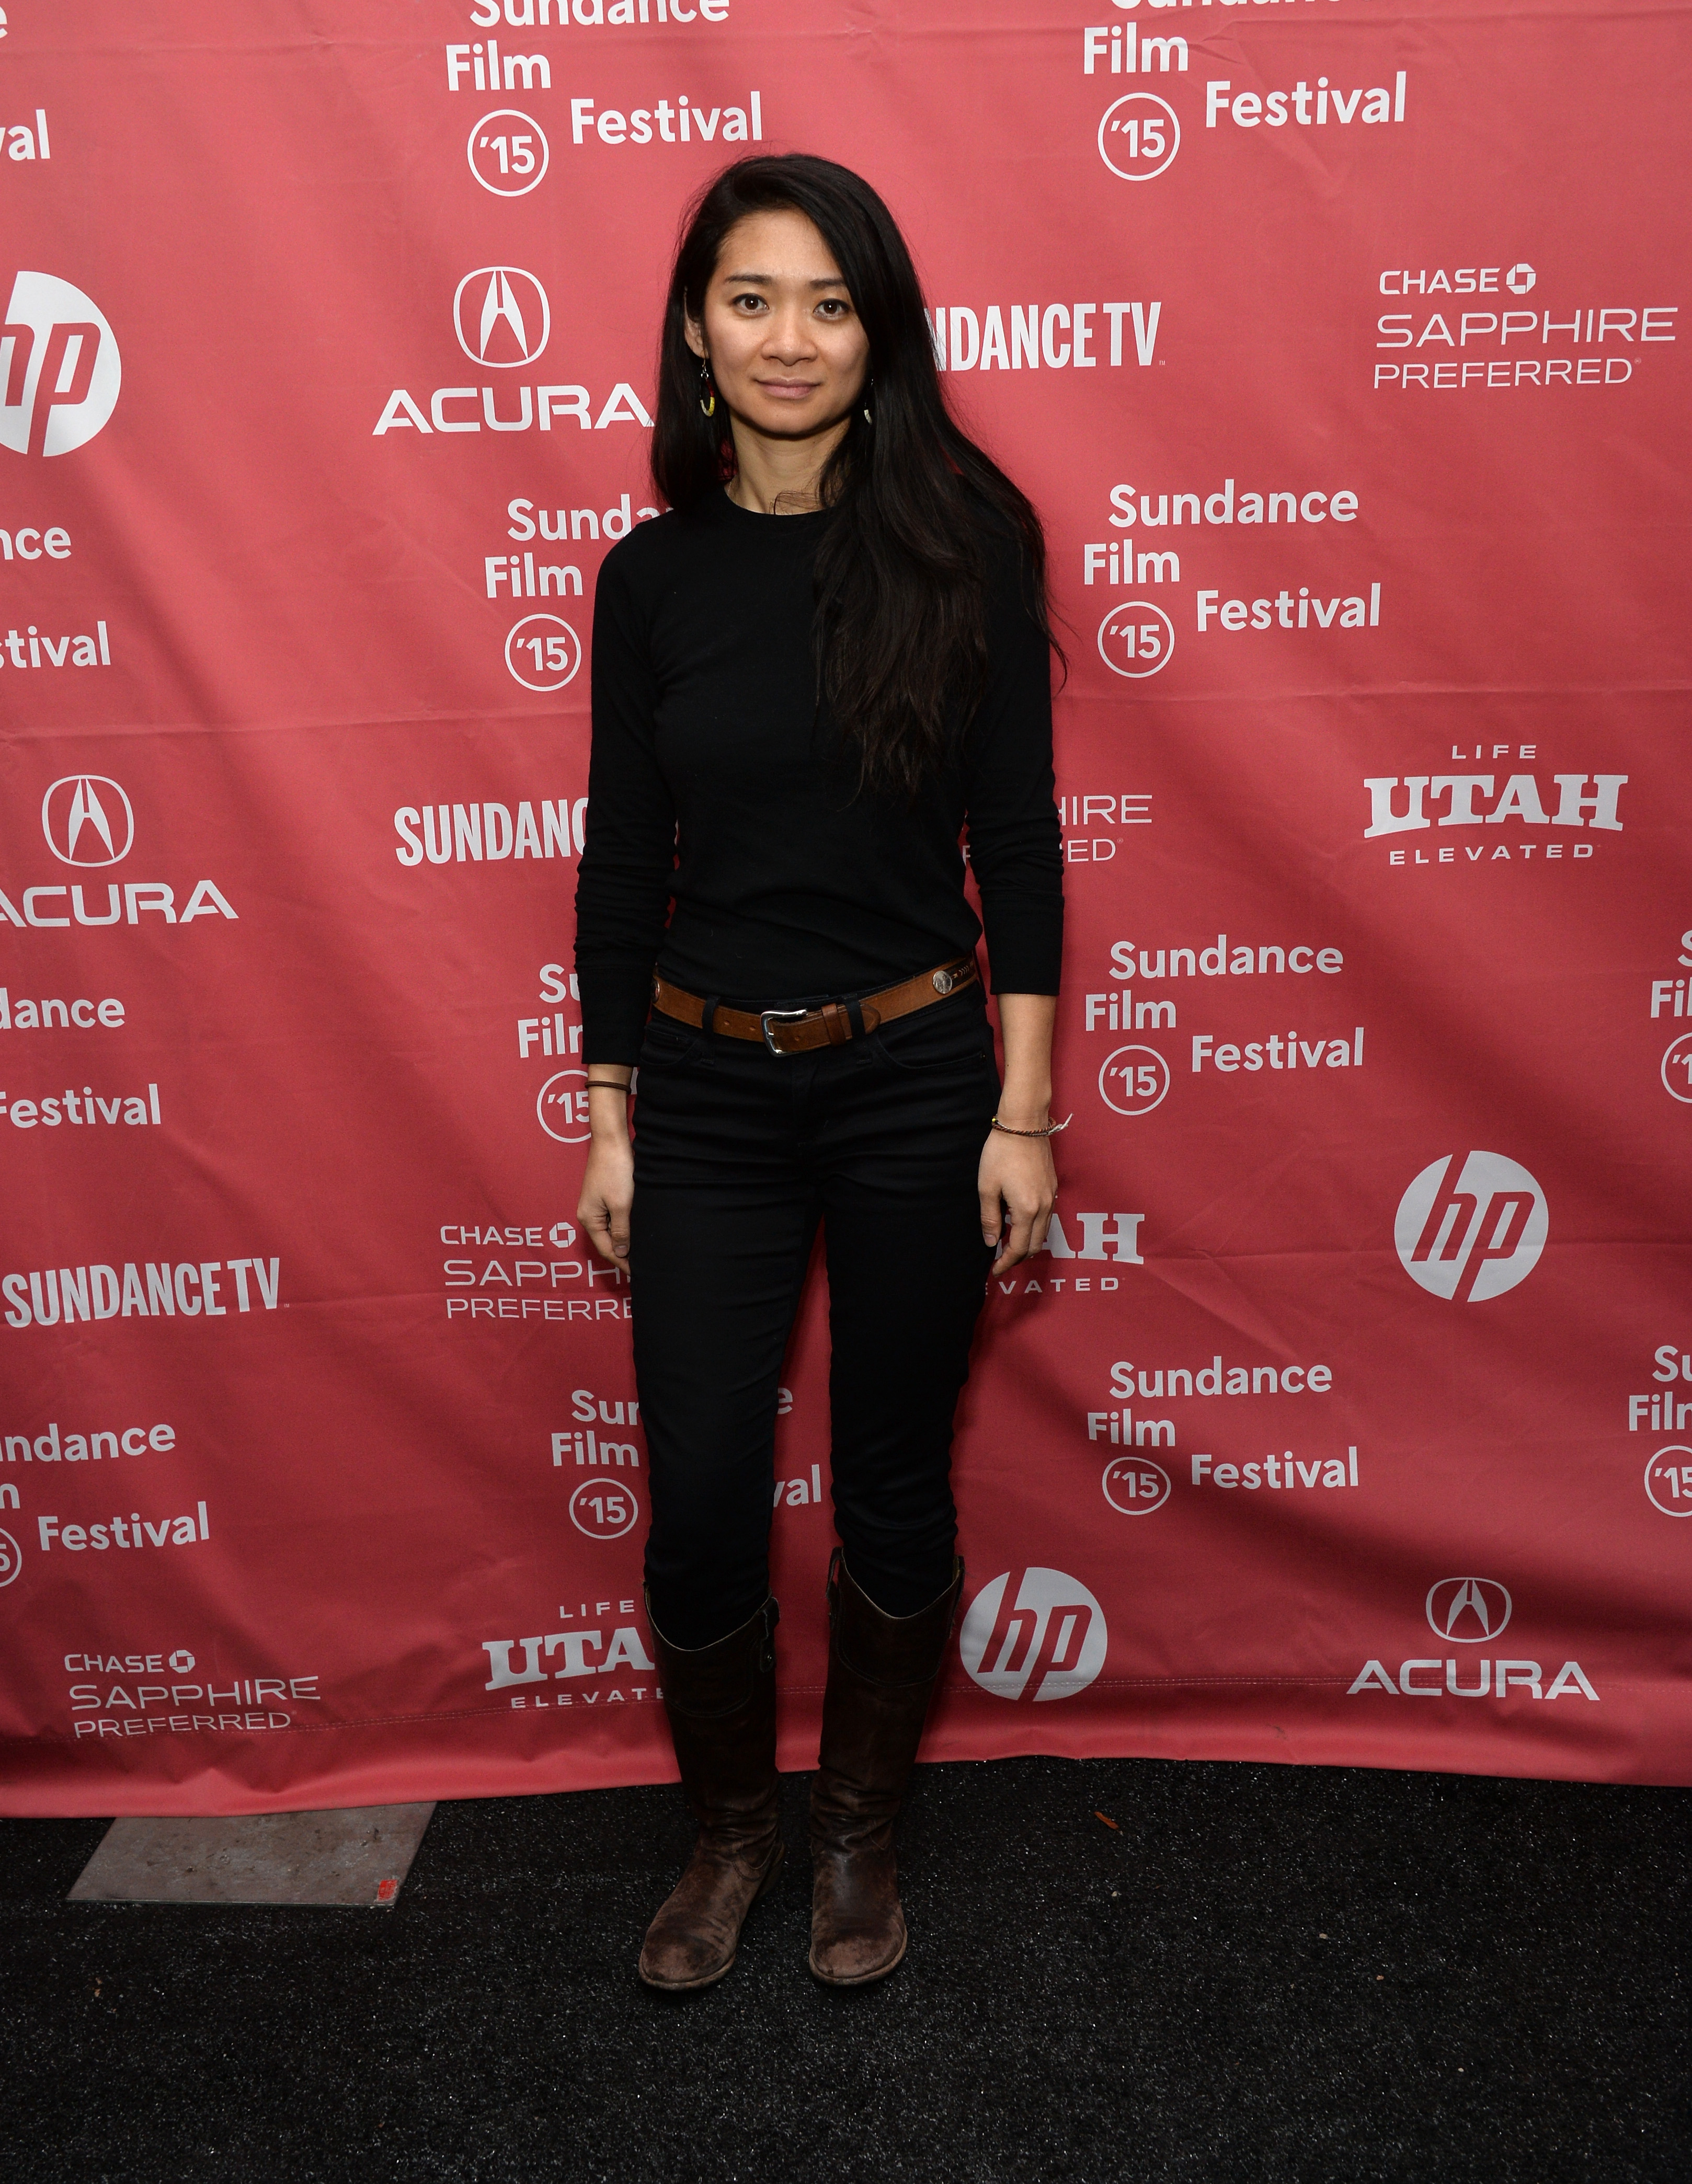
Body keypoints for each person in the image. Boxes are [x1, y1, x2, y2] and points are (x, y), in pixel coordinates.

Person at [573, 153, 1064, 1992]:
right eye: (753, 300)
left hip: (919, 1075)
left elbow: (1015, 843)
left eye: (830, 303)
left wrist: (1023, 1112)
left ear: (882, 331)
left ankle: (854, 1831)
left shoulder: (967, 533)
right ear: (697, 330)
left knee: (889, 1482)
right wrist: (608, 1115)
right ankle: (728, 1831)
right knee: (698, 1484)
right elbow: (625, 864)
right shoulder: (649, 578)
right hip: (701, 1087)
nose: (791, 338)